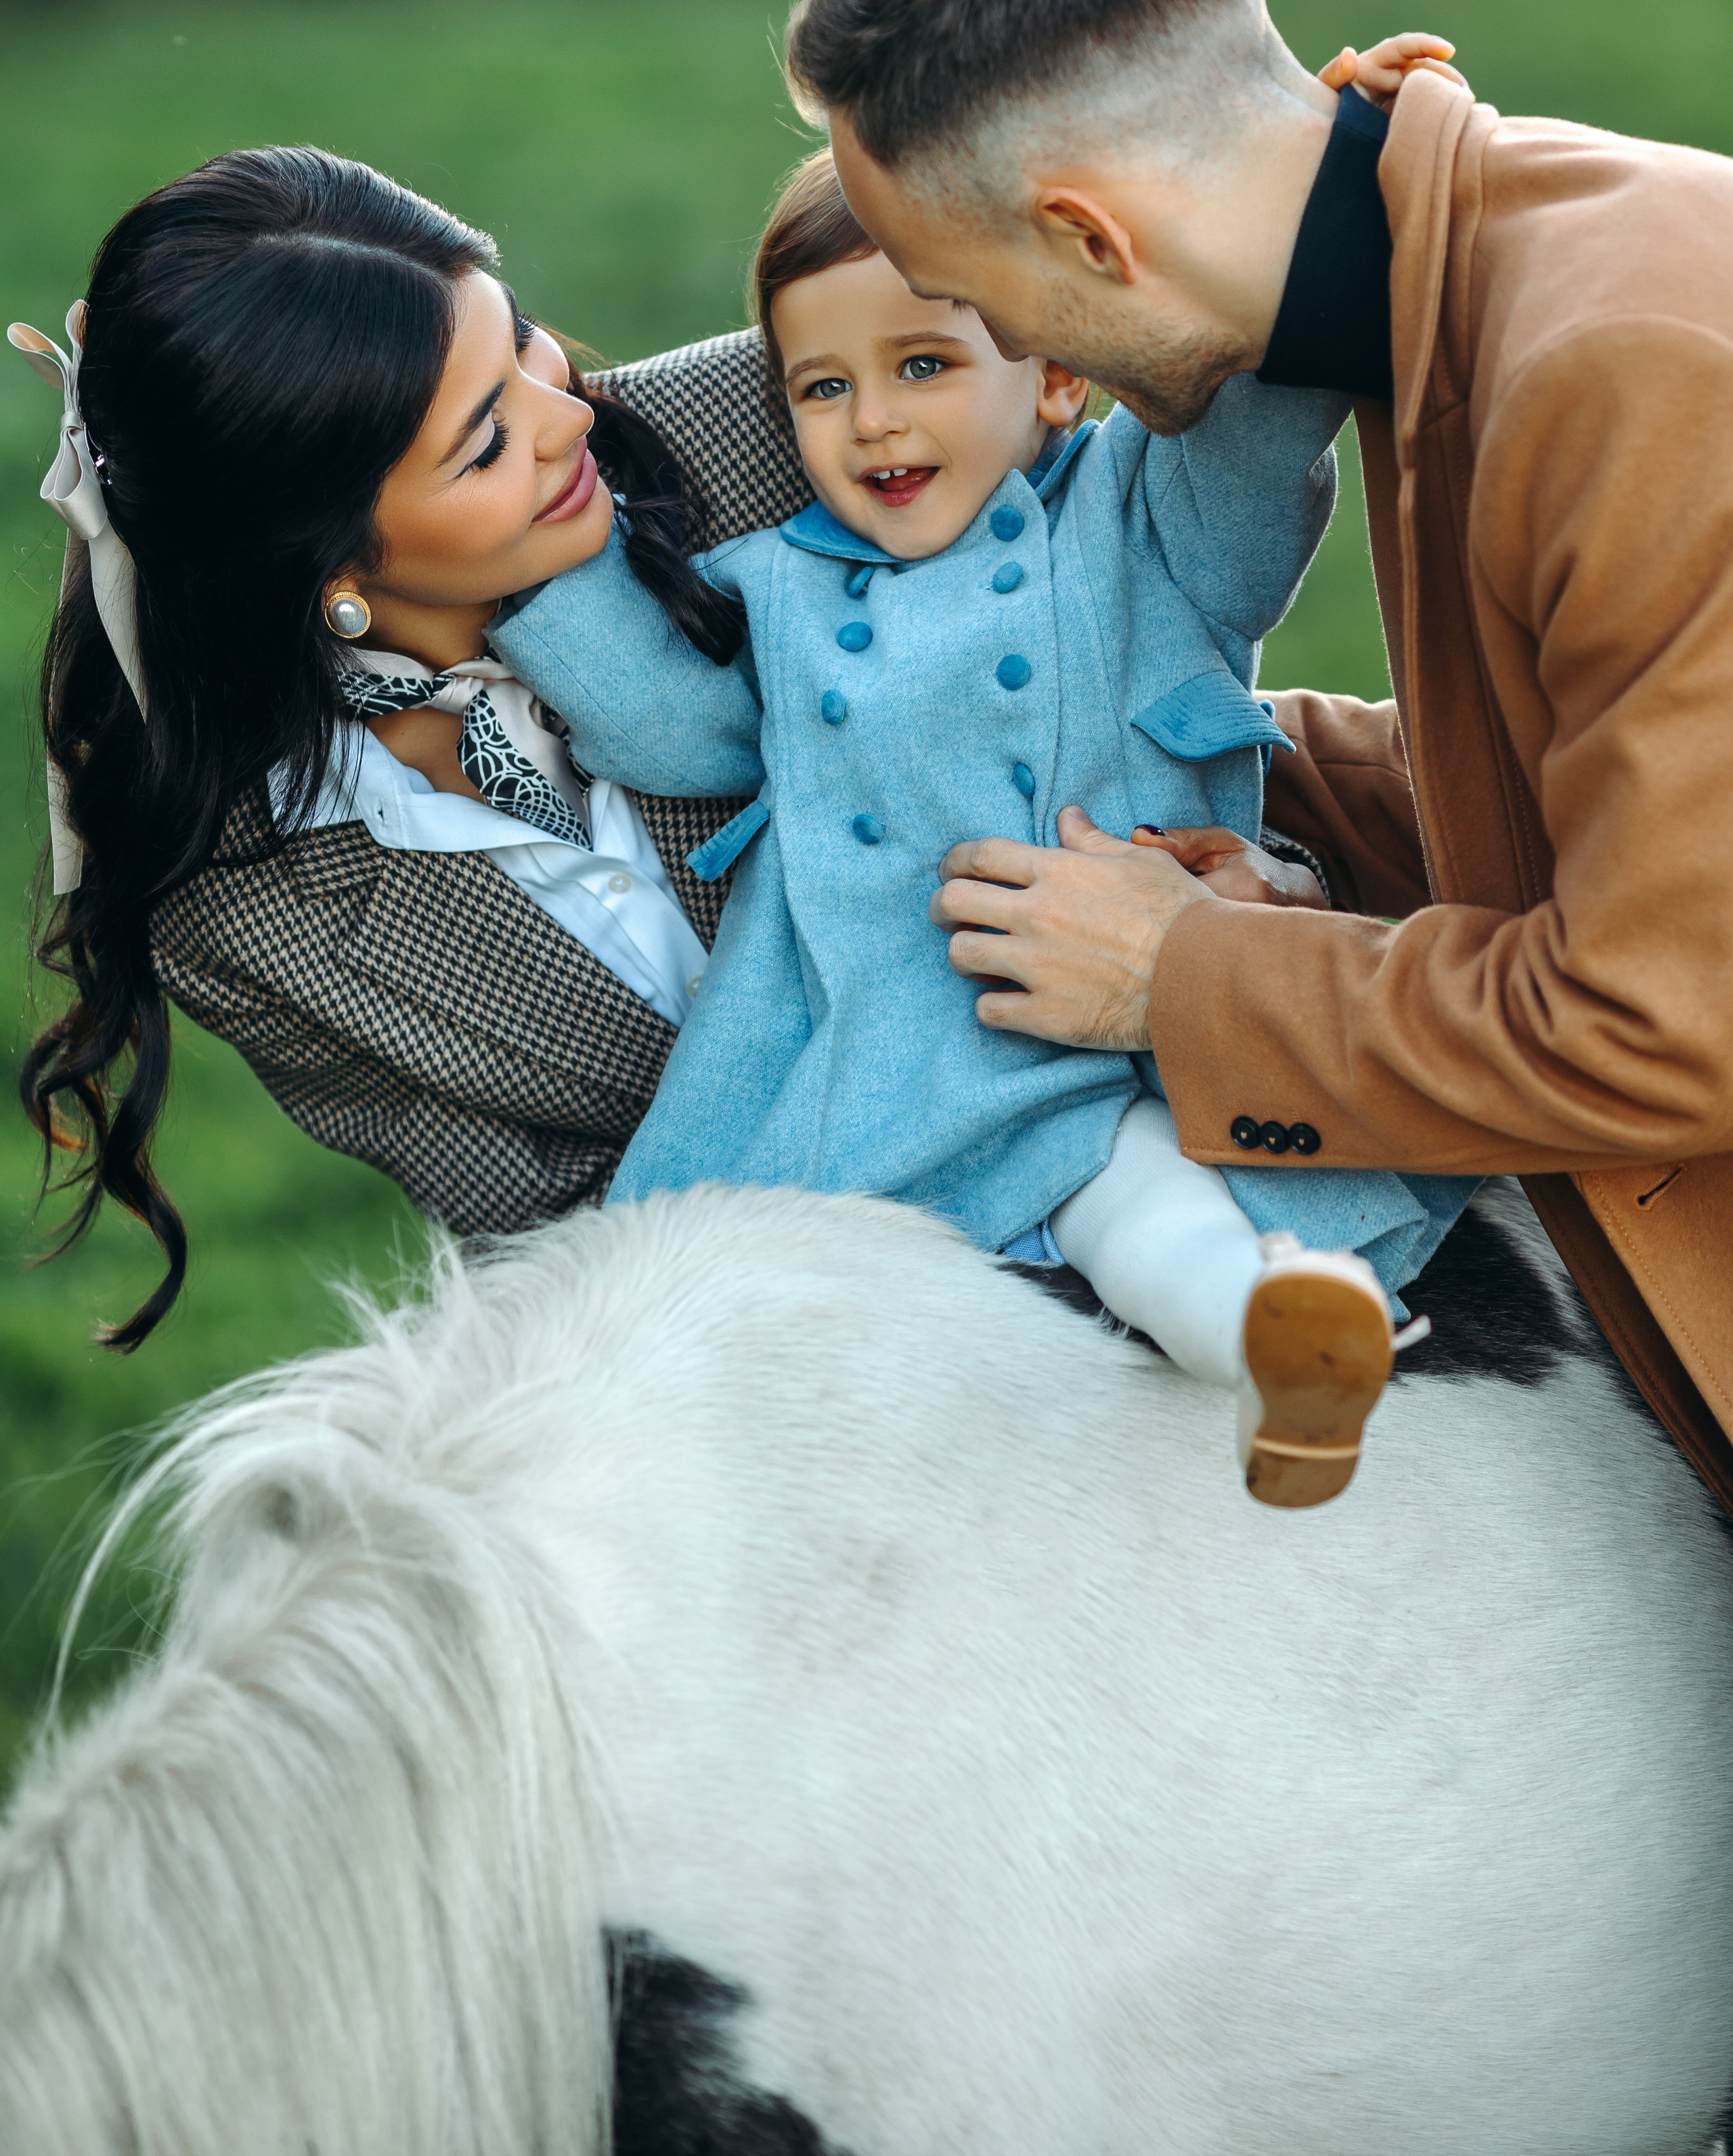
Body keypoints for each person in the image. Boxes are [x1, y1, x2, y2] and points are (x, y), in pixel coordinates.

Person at [786, 0, 1733, 1511]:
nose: (998, 356)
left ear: (1087, 237)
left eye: (965, 297)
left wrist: (1184, 986)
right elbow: (1601, 768)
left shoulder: (1621, 372)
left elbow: (1673, 1023)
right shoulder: (1464, 274)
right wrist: (1204, 768)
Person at [491, 145, 1467, 1505]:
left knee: (1147, 1211)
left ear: (1057, 371)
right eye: (821, 389)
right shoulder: (775, 587)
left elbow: (1247, 457)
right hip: (877, 1045)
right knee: (721, 1331)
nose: (873, 423)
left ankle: (1279, 1342)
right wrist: (536, 575)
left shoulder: (1141, 521)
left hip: (1110, 1031)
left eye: (923, 367)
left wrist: (1313, 198)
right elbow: (674, 727)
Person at [9, 145, 795, 1346]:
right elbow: (559, 1245)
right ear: (322, 563)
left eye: (520, 337)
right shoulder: (248, 915)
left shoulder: (797, 421)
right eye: (484, 445)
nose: (570, 411)